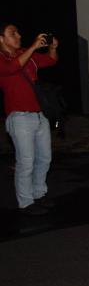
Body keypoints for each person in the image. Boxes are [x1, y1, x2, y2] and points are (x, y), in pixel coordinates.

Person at [0, 21, 59, 215]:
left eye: (18, 32)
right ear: (1, 38)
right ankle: (25, 202)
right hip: (19, 117)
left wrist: (52, 48)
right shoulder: (2, 59)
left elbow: (51, 61)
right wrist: (33, 47)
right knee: (26, 161)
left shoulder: (27, 54)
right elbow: (11, 69)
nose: (18, 36)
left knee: (44, 158)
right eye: (12, 33)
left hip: (39, 114)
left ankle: (39, 193)